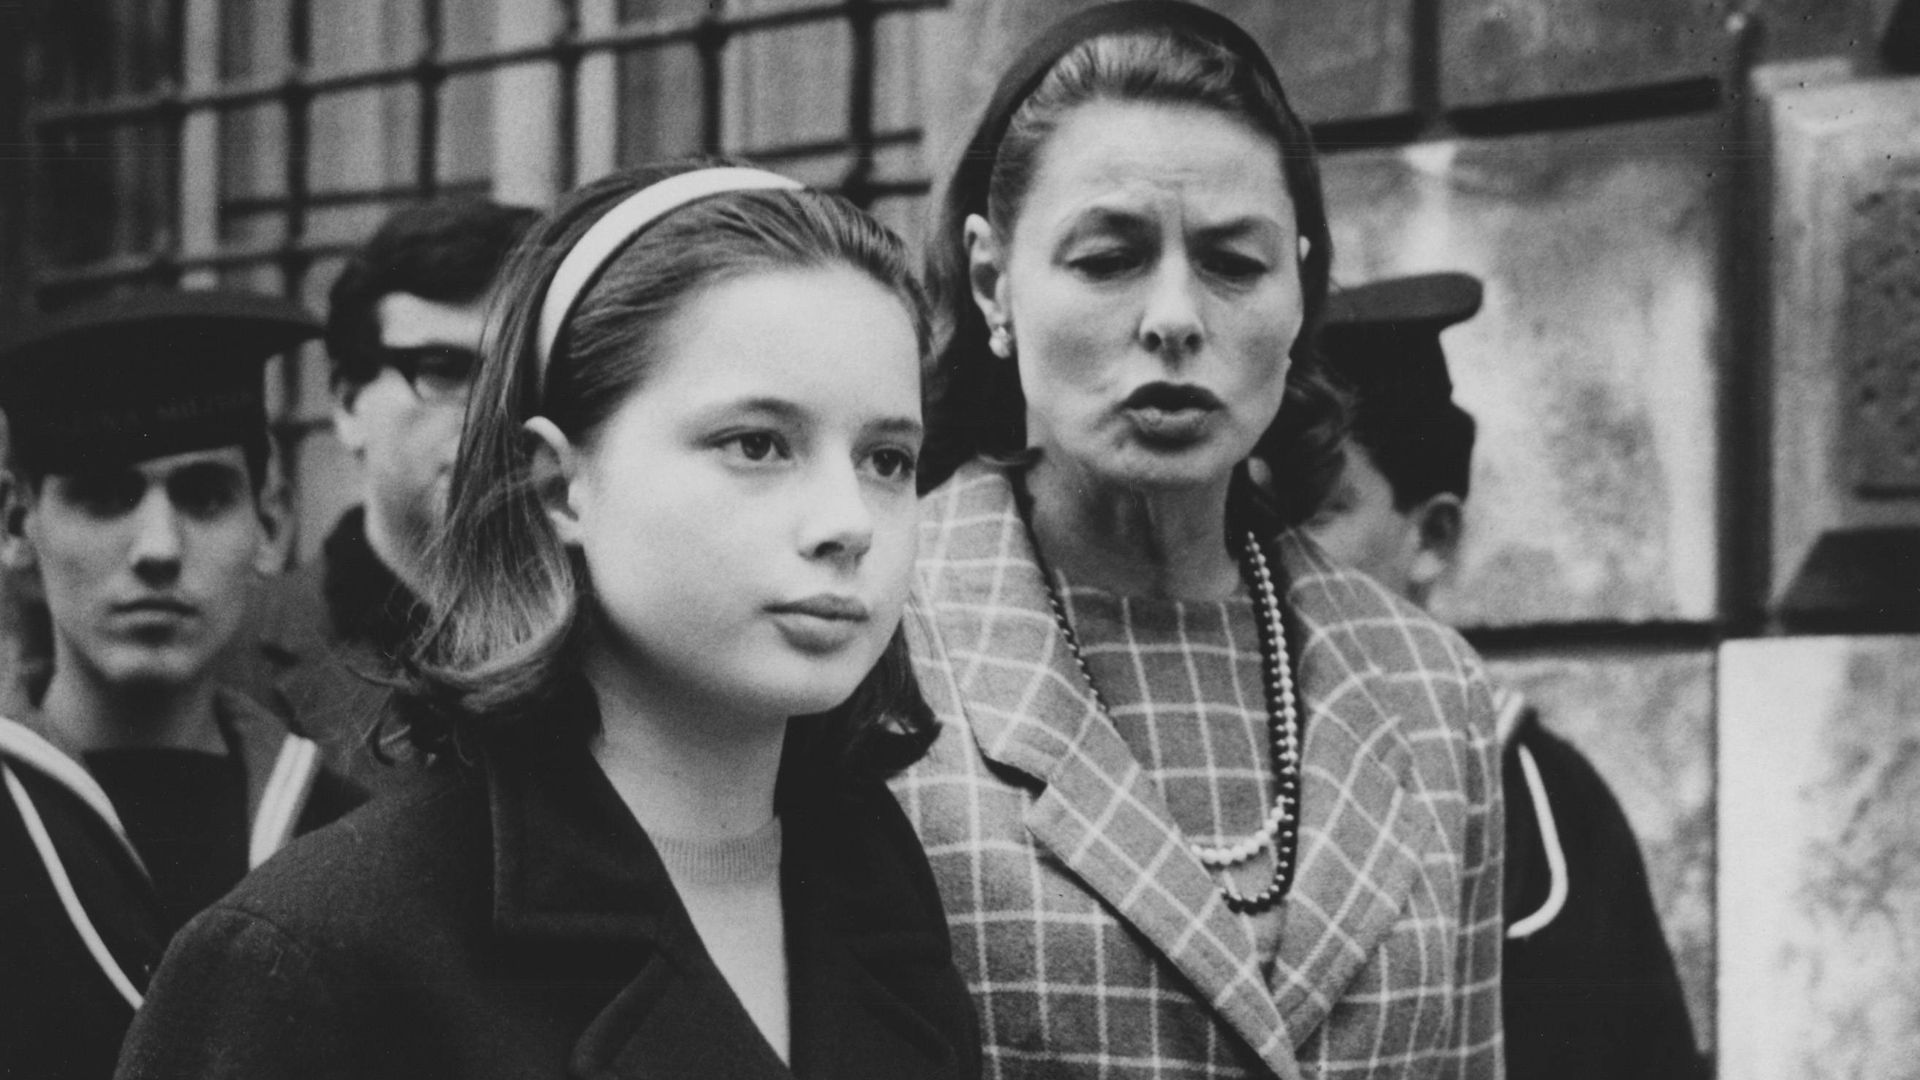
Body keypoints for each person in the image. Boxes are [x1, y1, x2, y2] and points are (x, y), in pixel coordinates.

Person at [116, 163, 981, 1080]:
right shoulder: (320, 956)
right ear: (560, 486)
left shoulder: (873, 875)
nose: (848, 522)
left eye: (887, 459)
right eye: (757, 445)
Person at [893, 3, 1505, 1076]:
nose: (1174, 316)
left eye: (1233, 262)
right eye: (1108, 258)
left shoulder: (1428, 687)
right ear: (994, 282)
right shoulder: (875, 653)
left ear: (1300, 290)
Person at [1300, 271, 1708, 1080]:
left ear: (1432, 537)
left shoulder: (1544, 805)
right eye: (1246, 508)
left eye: (1313, 509)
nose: (1265, 548)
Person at [0, 290, 364, 1080]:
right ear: (15, 524)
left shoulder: (349, 837)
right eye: (105, 495)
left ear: (271, 523)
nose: (158, 548)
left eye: (203, 496)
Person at [225, 197, 538, 795]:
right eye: (443, 370)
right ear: (347, 405)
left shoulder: (618, 655)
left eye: (519, 376)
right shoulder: (232, 658)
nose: (489, 417)